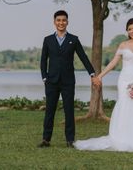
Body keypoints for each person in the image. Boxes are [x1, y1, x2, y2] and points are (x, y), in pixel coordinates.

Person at [74, 18, 133, 152]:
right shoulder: (123, 45)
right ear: (127, 30)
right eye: (129, 29)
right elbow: (113, 63)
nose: (132, 31)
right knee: (124, 105)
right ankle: (122, 138)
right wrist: (100, 76)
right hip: (124, 80)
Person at [39, 10, 100, 148]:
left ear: (67, 22)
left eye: (64, 20)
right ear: (54, 22)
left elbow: (83, 57)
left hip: (68, 81)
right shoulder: (48, 40)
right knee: (49, 111)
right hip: (51, 81)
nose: (61, 23)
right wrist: (44, 77)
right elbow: (43, 60)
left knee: (69, 111)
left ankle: (70, 140)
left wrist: (92, 74)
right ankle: (46, 139)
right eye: (58, 20)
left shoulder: (74, 39)